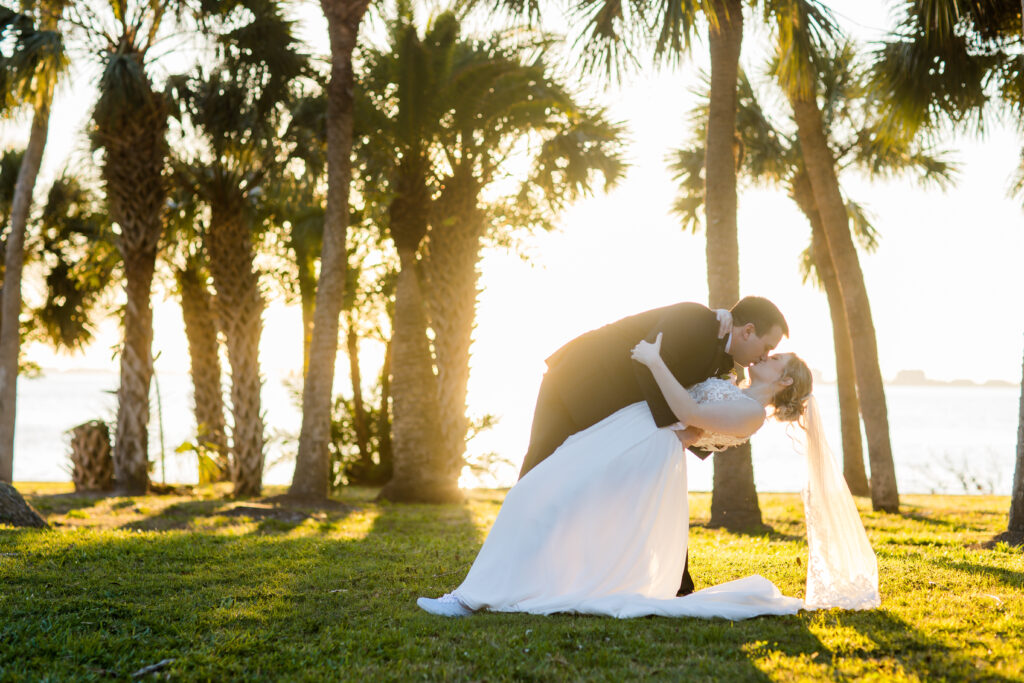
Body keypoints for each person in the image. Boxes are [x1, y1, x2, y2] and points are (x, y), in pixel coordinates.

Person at [417, 334, 879, 619]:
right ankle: (483, 591)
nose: (767, 356)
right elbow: (694, 420)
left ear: (782, 383)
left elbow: (689, 412)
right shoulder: (737, 390)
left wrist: (654, 359)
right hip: (634, 432)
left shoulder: (751, 413)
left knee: (539, 496)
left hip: (645, 447)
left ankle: (469, 599)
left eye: (777, 360)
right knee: (539, 494)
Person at [518, 296, 788, 595]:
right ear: (747, 331)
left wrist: (685, 436)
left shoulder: (723, 360)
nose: (765, 356)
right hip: (576, 381)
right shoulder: (697, 320)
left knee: (645, 489)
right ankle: (513, 552)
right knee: (541, 461)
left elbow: (702, 404)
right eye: (767, 347)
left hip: (619, 413)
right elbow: (645, 363)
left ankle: (672, 582)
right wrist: (671, 430)